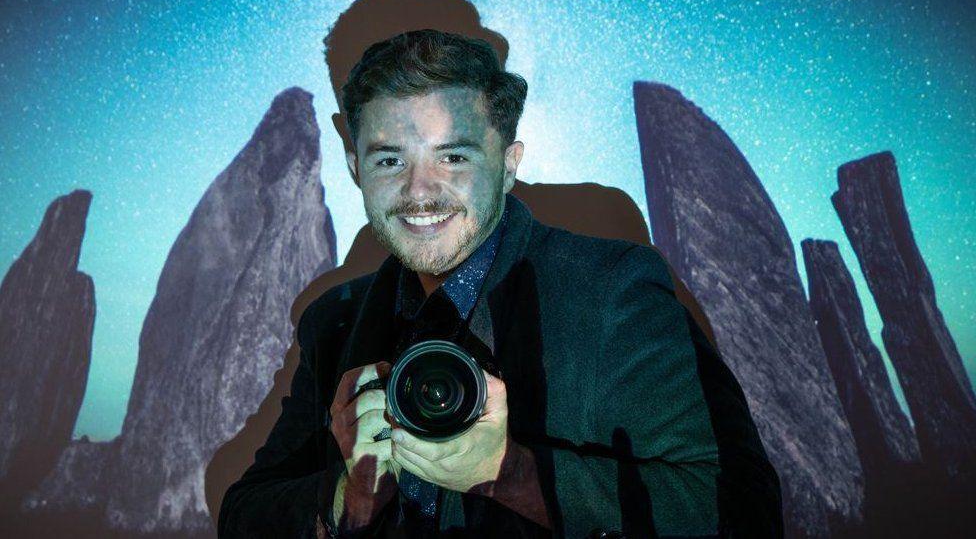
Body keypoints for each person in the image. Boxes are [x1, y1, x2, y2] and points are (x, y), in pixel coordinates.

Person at [218, 29, 782, 538]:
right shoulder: (331, 322)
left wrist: (509, 473)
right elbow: (243, 515)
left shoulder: (614, 291)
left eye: (453, 157)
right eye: (390, 160)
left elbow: (745, 511)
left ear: (509, 163)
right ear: (354, 168)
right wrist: (348, 498)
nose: (419, 192)